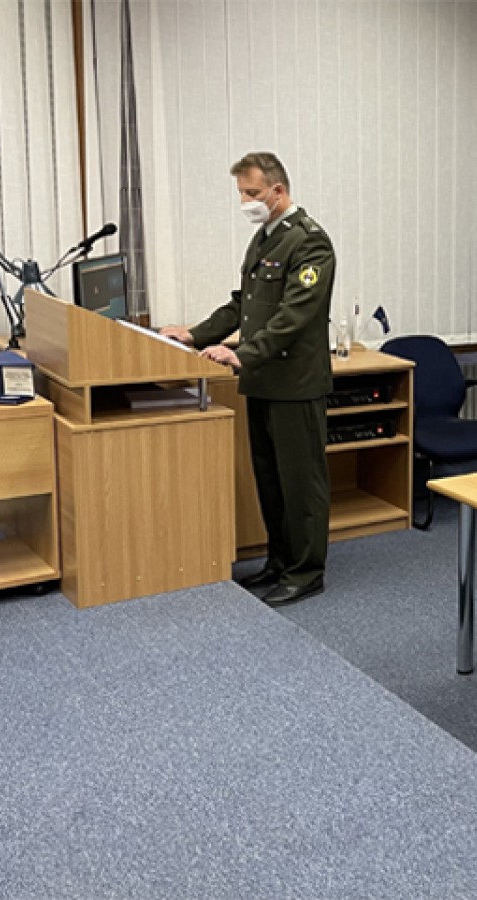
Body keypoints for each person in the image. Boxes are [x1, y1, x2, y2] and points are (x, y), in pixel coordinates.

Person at [160, 152, 335, 607]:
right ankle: (280, 561)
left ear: (278, 190)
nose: (245, 202)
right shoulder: (266, 238)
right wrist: (195, 334)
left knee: (301, 484)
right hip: (262, 381)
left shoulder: (310, 242)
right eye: (241, 193)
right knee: (271, 481)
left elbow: (294, 315)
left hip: (295, 384)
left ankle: (306, 571)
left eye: (252, 193)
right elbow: (244, 304)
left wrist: (241, 353)